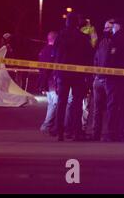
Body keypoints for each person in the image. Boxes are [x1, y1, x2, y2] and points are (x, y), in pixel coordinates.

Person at [52, 13, 93, 141]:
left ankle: (59, 132)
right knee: (77, 104)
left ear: (67, 22)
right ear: (77, 23)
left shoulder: (60, 36)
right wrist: (88, 76)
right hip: (78, 75)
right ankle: (76, 132)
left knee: (61, 103)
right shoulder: (83, 37)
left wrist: (56, 74)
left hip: (62, 75)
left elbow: (55, 55)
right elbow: (88, 58)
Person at [104, 19, 124, 141]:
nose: (109, 30)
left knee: (112, 105)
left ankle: (111, 133)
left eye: (111, 27)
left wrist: (106, 72)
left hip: (115, 78)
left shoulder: (115, 39)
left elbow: (111, 59)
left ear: (116, 26)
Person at [91, 19, 115, 141]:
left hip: (100, 78)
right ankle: (106, 133)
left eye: (108, 28)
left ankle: (97, 133)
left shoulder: (104, 42)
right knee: (107, 107)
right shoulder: (107, 42)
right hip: (104, 79)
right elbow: (98, 59)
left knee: (99, 109)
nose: (106, 30)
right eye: (105, 28)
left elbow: (97, 59)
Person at [38, 31, 58, 134]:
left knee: (51, 104)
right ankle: (46, 125)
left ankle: (47, 125)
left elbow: (41, 69)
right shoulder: (54, 51)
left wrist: (42, 85)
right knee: (55, 104)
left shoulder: (43, 51)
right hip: (52, 81)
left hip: (46, 82)